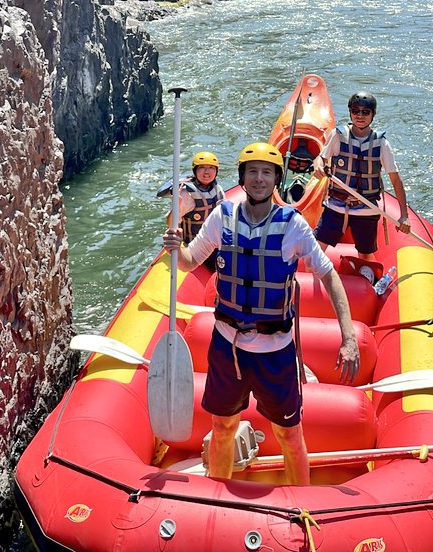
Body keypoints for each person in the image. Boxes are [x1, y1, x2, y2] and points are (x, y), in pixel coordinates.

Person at [162, 142, 359, 484]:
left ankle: (302, 505)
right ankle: (218, 498)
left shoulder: (292, 225)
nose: (258, 179)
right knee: (222, 427)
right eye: (251, 172)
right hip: (228, 347)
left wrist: (349, 337)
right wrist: (173, 248)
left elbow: (328, 275)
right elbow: (191, 261)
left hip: (275, 351)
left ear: (276, 180)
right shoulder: (222, 216)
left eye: (266, 172)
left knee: (289, 435)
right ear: (242, 177)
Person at [314, 91, 410, 263]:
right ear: (350, 112)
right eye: (355, 110)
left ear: (373, 114)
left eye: (365, 112)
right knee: (316, 249)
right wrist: (318, 165)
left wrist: (404, 216)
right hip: (336, 206)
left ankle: (371, 282)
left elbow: (396, 180)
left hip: (366, 208)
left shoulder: (381, 144)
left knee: (365, 254)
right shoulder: (337, 136)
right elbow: (320, 158)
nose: (359, 115)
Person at [164, 151, 225, 271]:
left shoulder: (217, 189)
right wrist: (176, 207)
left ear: (216, 171)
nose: (206, 172)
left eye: (211, 168)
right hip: (193, 244)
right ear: (195, 171)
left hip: (213, 241)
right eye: (201, 167)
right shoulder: (186, 194)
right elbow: (171, 224)